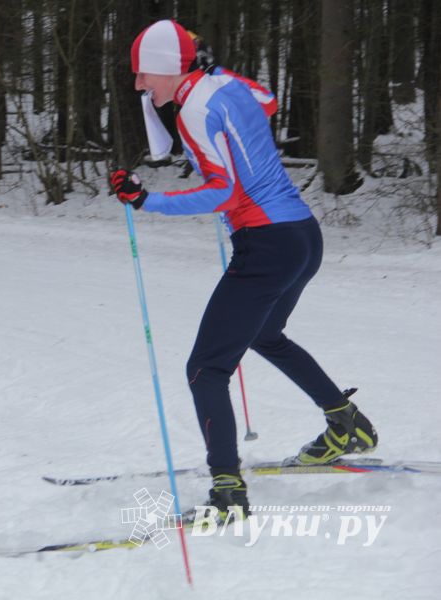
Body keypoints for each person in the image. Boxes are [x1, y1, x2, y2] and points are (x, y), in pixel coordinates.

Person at [109, 20, 378, 520]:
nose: (139, 84)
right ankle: (346, 422)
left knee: (205, 370)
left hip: (267, 244)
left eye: (145, 73)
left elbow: (225, 191)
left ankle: (228, 491)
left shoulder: (193, 109)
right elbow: (268, 100)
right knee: (266, 335)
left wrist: (149, 201)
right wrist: (218, 69)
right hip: (302, 237)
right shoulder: (222, 85)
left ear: (171, 67)